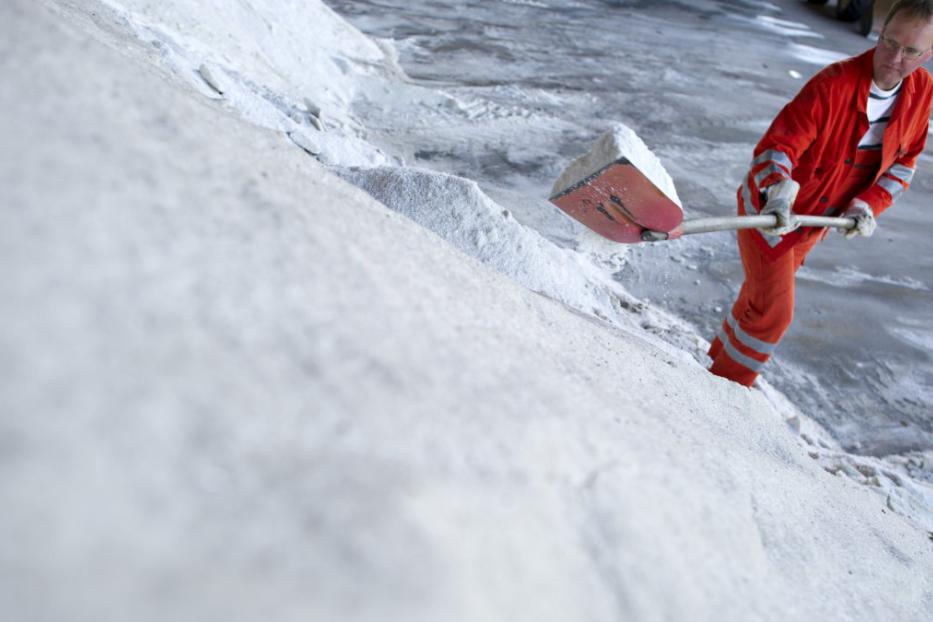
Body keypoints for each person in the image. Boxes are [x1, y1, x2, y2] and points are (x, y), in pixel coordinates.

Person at [707, 0, 933, 387]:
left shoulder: (922, 92)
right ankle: (727, 388)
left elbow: (903, 162)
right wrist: (778, 189)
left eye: (910, 51)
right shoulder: (834, 85)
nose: (895, 59)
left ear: (928, 54)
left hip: (814, 224)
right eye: (889, 42)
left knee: (758, 296)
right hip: (773, 213)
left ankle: (715, 365)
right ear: (880, 34)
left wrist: (867, 205)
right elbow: (778, 147)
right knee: (774, 311)